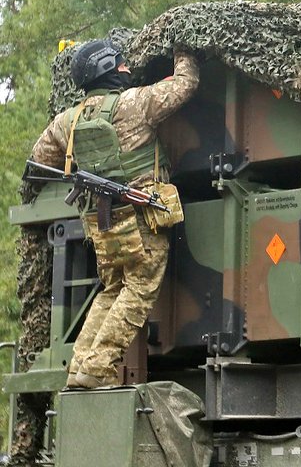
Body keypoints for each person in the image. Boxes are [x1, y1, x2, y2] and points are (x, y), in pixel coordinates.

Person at [28, 39, 199, 389]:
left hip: (101, 223)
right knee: (138, 289)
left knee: (111, 289)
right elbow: (185, 84)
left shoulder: (67, 122)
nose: (126, 69)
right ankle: (99, 365)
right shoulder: (134, 103)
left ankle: (79, 366)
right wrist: (184, 48)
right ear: (108, 69)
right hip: (142, 219)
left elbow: (37, 161)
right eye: (120, 64)